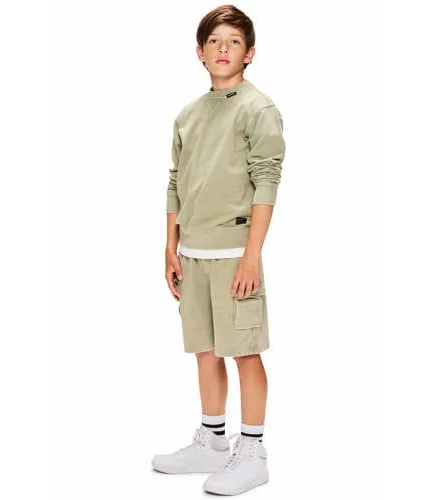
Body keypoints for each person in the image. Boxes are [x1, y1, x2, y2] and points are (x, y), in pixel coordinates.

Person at [152, 4, 285, 496]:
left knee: (244, 351)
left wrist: (252, 255)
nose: (222, 48)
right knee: (205, 351)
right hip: (193, 253)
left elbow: (267, 181)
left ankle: (252, 453)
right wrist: (171, 246)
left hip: (234, 252)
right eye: (214, 41)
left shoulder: (258, 109)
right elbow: (175, 182)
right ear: (200, 51)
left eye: (233, 41)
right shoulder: (188, 115)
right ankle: (211, 442)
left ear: (249, 53)